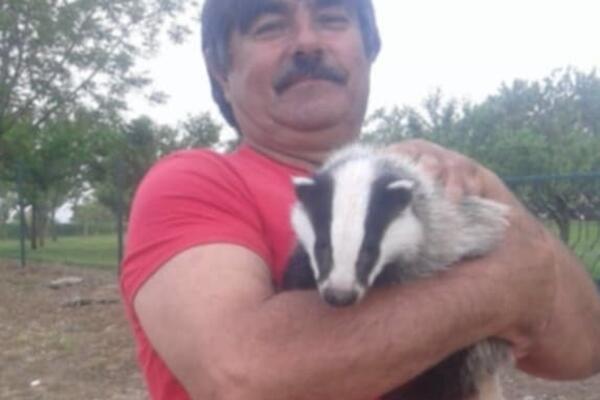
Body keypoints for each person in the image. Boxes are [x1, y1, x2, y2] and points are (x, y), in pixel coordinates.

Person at [120, 0, 600, 399]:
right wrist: (500, 287)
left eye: (332, 19)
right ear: (220, 69)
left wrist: (490, 189)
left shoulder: (431, 187)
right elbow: (244, 377)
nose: (308, 43)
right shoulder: (194, 183)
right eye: (270, 26)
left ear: (369, 49)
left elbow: (584, 349)